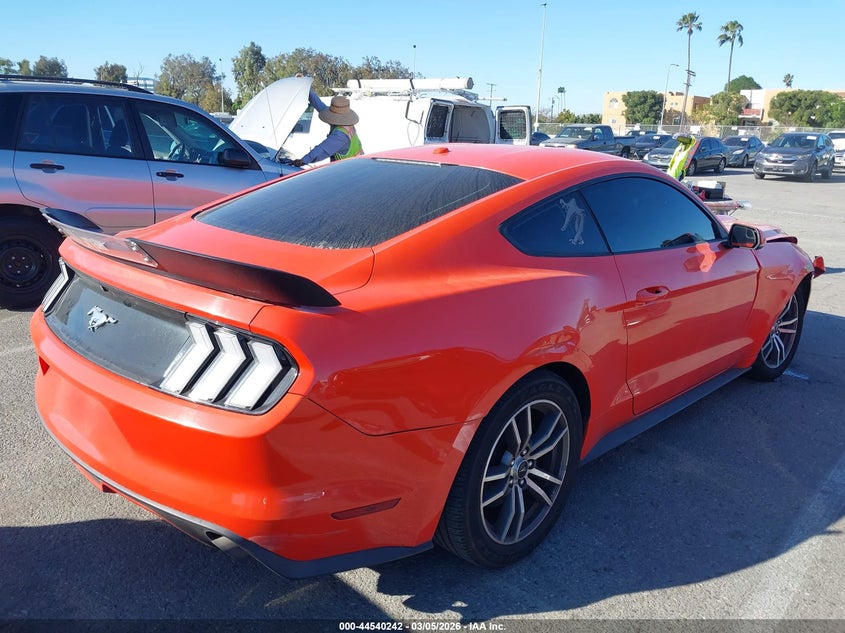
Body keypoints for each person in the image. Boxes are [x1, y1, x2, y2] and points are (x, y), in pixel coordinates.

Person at [292, 89, 364, 166]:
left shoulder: (340, 135)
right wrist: (308, 91)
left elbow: (321, 150)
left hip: (351, 169)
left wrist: (303, 161)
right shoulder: (346, 124)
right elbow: (320, 105)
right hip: (358, 164)